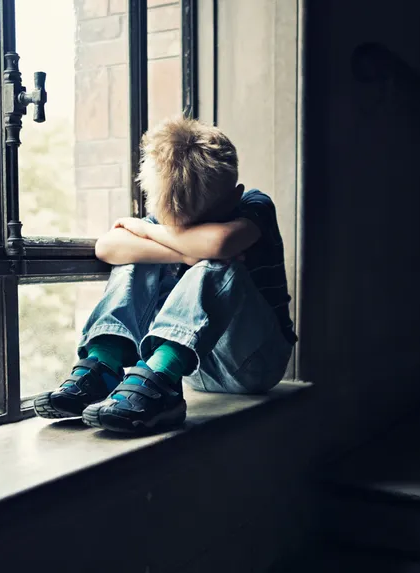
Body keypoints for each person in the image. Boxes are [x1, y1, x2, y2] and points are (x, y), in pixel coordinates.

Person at [34, 116, 297, 432]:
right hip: (191, 365)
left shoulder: (254, 204)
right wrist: (183, 247)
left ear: (234, 195)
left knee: (217, 263)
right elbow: (108, 247)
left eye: (193, 226)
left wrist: (148, 231)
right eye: (172, 223)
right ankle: (106, 364)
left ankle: (159, 378)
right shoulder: (166, 213)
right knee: (135, 259)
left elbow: (221, 242)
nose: (174, 228)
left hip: (255, 364)